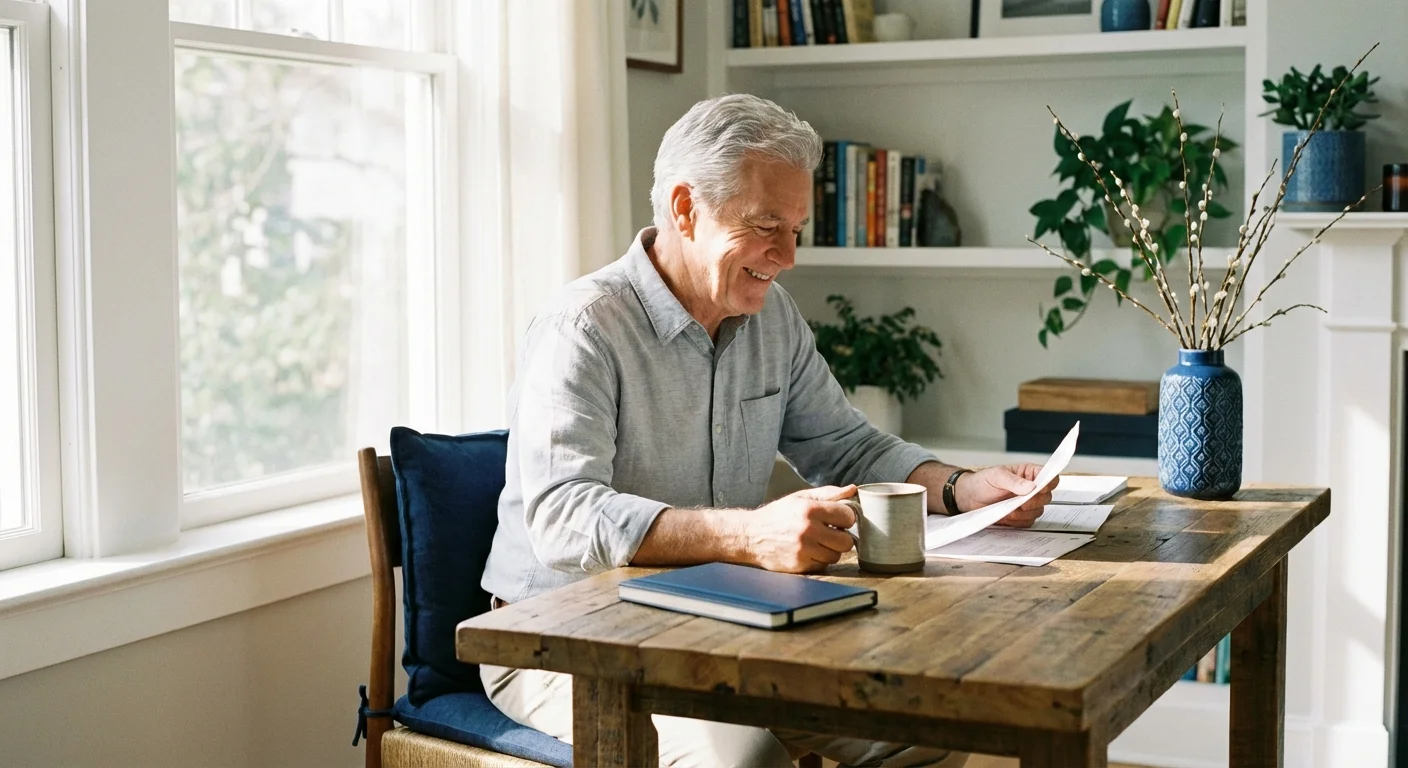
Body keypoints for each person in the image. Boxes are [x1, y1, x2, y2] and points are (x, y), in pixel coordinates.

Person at [479, 93, 1055, 768]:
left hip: (711, 618)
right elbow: (563, 517)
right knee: (746, 759)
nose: (787, 256)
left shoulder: (771, 316)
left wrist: (959, 486)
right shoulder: (584, 328)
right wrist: (751, 536)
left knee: (925, 730)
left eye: (796, 229)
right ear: (686, 209)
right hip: (561, 638)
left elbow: (846, 443)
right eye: (765, 226)